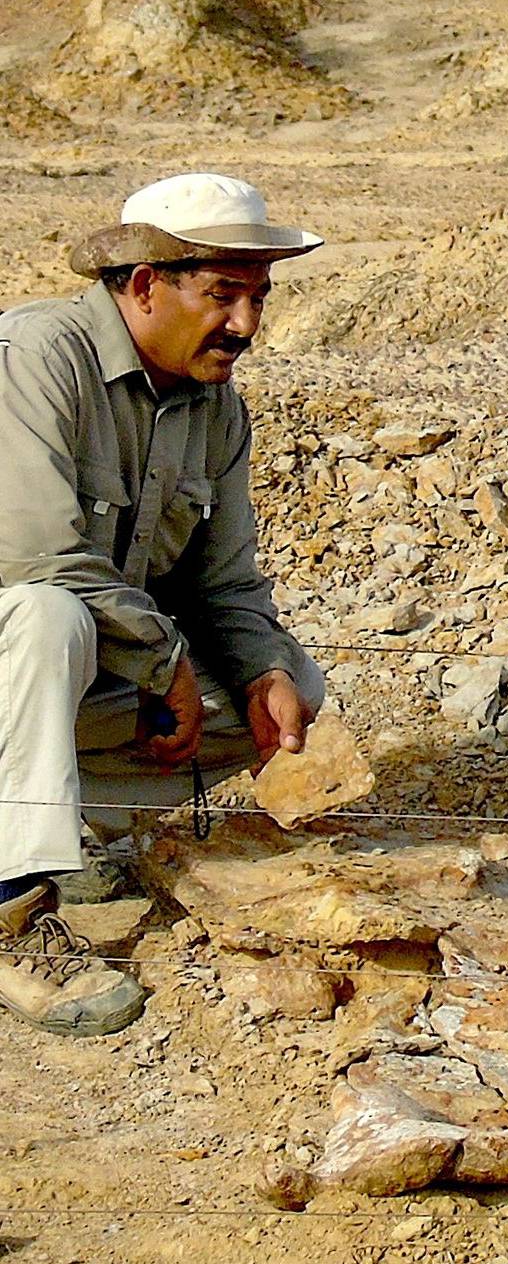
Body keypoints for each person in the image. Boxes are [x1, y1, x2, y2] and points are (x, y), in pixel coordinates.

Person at [0, 174, 327, 1037]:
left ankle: (49, 836)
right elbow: (30, 553)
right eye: (224, 295)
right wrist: (163, 656)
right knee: (47, 617)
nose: (247, 327)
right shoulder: (36, 357)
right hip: (25, 644)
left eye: (258, 298)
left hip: (65, 680)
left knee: (286, 689)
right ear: (145, 285)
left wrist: (260, 670)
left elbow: (224, 586)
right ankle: (11, 914)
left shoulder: (214, 411)